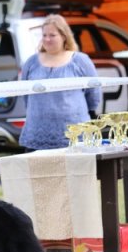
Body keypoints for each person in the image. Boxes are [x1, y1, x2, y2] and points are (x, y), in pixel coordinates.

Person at [19, 14, 101, 150]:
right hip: (37, 134)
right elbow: (25, 95)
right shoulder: (31, 62)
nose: (47, 39)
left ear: (64, 36)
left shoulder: (80, 61)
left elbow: (94, 94)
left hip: (74, 133)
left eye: (52, 35)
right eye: (44, 35)